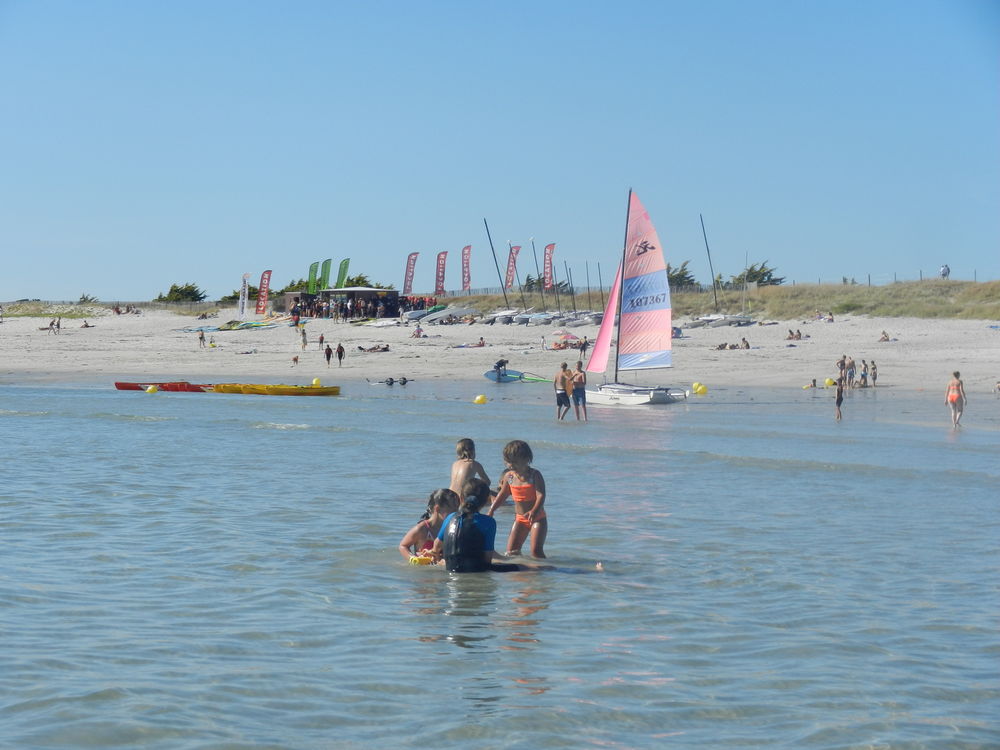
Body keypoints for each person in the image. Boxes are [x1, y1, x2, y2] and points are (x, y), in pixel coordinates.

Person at [432, 479, 522, 572]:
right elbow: (487, 559)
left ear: (461, 498)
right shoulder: (488, 522)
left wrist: (439, 559)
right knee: (526, 567)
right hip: (476, 571)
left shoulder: (450, 517)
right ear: (485, 501)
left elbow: (436, 546)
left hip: (451, 571)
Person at [488, 440, 547, 558]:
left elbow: (541, 495)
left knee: (536, 551)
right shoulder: (509, 477)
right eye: (508, 462)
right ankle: (519, 569)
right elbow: (503, 495)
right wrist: (492, 509)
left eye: (514, 462)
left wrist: (534, 511)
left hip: (537, 518)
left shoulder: (535, 475)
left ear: (526, 459)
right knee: (511, 552)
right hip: (520, 519)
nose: (510, 465)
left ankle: (544, 568)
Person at [399, 488, 459, 562]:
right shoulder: (422, 529)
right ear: (437, 508)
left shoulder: (452, 528)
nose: (457, 513)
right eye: (453, 510)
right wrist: (412, 559)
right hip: (424, 568)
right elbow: (403, 546)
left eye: (458, 509)